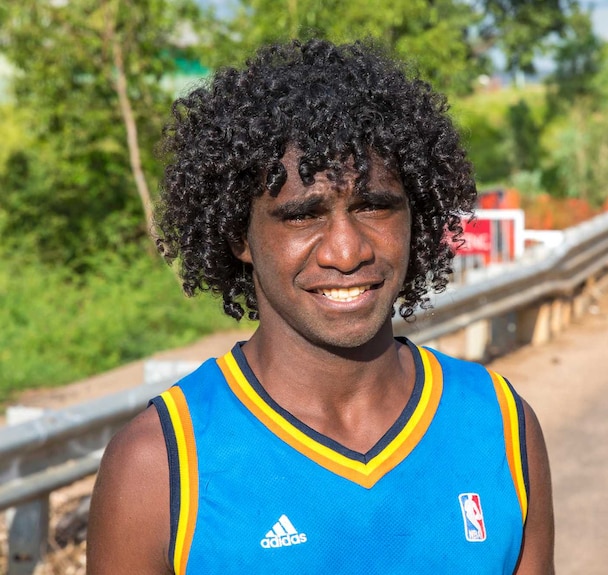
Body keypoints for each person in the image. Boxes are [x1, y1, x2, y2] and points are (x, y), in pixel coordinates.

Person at [87, 39, 555, 574]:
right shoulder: (160, 466)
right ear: (238, 235)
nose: (347, 250)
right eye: (303, 216)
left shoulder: (500, 423)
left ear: (415, 216)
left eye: (374, 207)